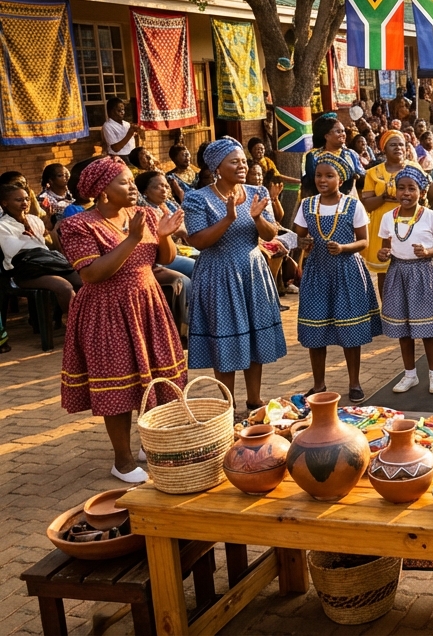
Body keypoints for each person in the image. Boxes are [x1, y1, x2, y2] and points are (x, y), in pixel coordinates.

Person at [58, 157, 185, 482]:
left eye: (131, 181)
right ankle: (123, 461)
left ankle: (148, 442)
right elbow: (91, 273)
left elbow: (165, 258)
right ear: (102, 191)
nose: (132, 187)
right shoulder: (79, 225)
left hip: (148, 303)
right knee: (118, 383)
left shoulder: (143, 214)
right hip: (107, 311)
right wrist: (131, 239)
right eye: (124, 182)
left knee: (156, 375)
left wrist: (164, 235)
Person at [184, 137, 287, 411]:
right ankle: (227, 406)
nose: (242, 166)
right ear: (217, 167)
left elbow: (270, 234)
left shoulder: (257, 192)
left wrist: (257, 217)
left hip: (252, 271)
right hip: (218, 274)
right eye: (234, 162)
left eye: (243, 161)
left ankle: (254, 399)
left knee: (253, 335)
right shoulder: (198, 198)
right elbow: (198, 241)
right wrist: (228, 218)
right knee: (225, 338)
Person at [293, 152, 381, 402]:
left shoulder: (352, 205)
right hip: (317, 273)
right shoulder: (307, 205)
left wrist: (344, 248)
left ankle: (354, 383)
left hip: (347, 272)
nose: (322, 180)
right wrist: (303, 242)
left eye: (329, 176)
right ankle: (318, 384)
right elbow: (299, 234)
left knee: (350, 330)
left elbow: (363, 241)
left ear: (340, 180)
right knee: (315, 330)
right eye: (319, 175)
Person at [378, 166, 433, 396]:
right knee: (403, 329)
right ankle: (410, 374)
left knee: (428, 329)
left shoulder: (431, 217)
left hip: (423, 274)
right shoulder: (388, 217)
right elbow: (385, 248)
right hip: (398, 273)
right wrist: (383, 254)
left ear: (422, 191)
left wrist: (428, 252)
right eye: (401, 188)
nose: (406, 193)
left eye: (412, 188)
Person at [0, 183, 82, 317]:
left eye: (26, 199)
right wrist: (28, 239)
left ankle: (87, 319)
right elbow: (13, 251)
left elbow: (45, 242)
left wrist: (48, 221)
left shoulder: (33, 220)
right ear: (5, 203)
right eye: (18, 200)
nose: (25, 203)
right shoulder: (2, 226)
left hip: (47, 264)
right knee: (64, 287)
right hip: (25, 271)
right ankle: (75, 323)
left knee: (83, 281)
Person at [361, 130, 412, 295]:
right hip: (382, 225)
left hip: (409, 222)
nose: (398, 148)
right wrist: (383, 197)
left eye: (401, 144)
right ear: (384, 149)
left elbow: (422, 195)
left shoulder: (413, 168)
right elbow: (367, 204)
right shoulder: (373, 173)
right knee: (384, 271)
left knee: (409, 269)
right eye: (393, 144)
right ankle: (388, 308)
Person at [303, 114, 365, 198]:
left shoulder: (351, 154)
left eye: (343, 131)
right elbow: (311, 181)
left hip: (349, 198)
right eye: (338, 132)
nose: (342, 134)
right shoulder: (314, 156)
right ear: (327, 136)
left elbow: (362, 175)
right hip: (322, 200)